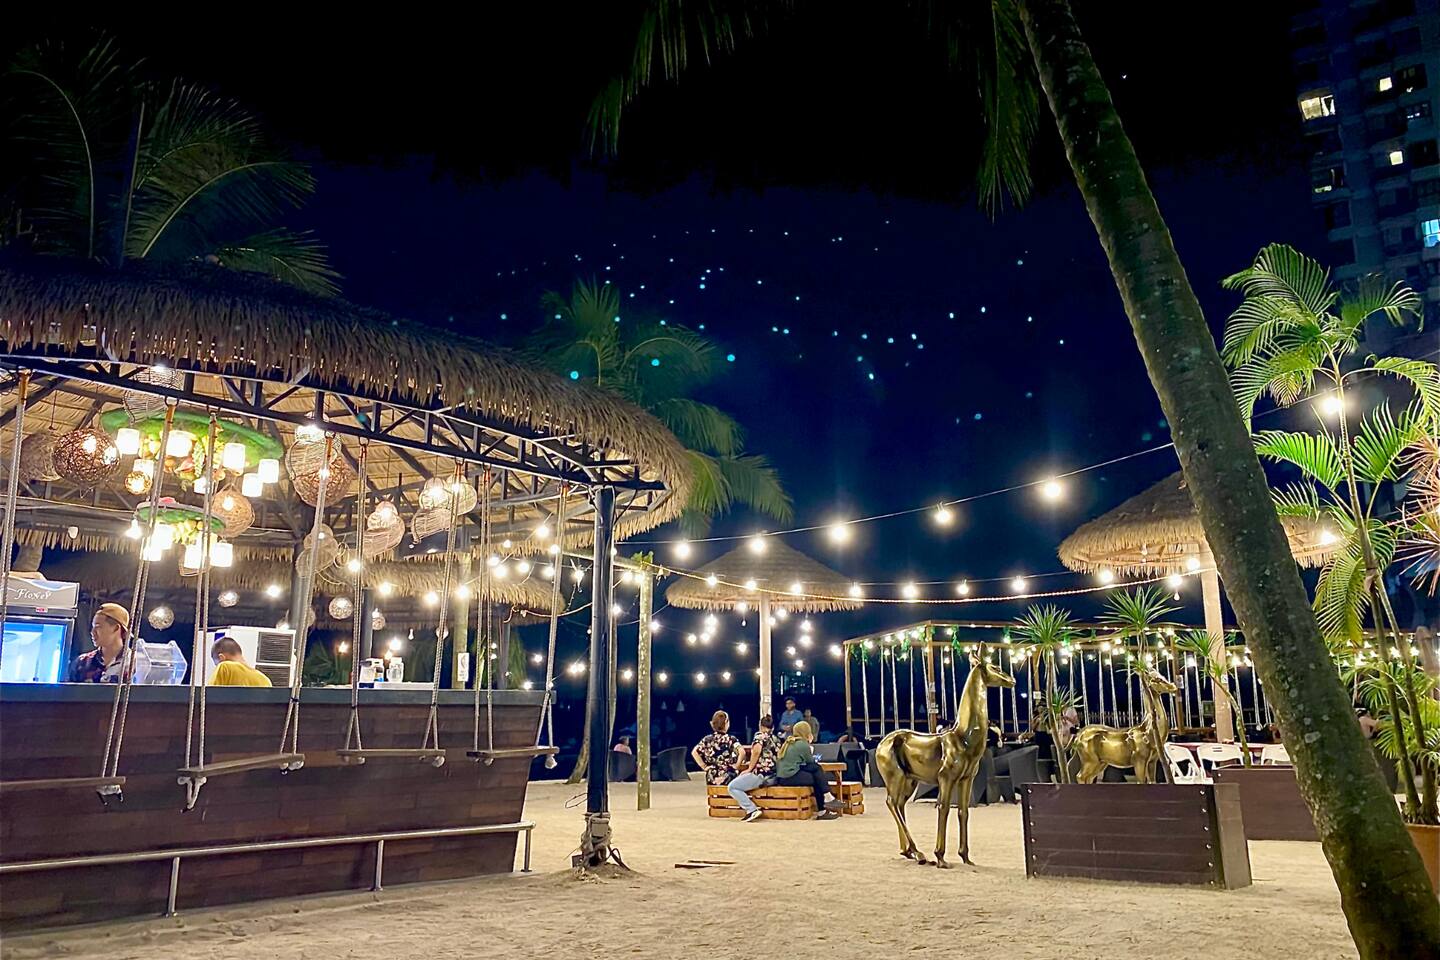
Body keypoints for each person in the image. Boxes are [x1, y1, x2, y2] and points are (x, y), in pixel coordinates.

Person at [774, 720, 842, 819]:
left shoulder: (791, 741)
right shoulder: (802, 744)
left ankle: (826, 801)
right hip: (789, 777)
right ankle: (825, 804)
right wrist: (810, 745)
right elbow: (810, 761)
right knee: (817, 777)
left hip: (783, 776)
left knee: (816, 771)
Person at [727, 714, 781, 823]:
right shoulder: (776, 739)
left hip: (761, 774)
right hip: (773, 775)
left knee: (732, 787)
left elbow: (756, 752)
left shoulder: (759, 736)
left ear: (760, 726)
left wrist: (749, 769)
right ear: (773, 727)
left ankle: (751, 809)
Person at [66, 603, 132, 683]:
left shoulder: (134, 664)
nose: (92, 632)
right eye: (93, 627)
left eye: (98, 627)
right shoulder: (82, 663)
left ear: (116, 628)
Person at [691, 710, 741, 785]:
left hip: (712, 777)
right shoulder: (731, 739)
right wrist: (737, 765)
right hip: (728, 776)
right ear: (726, 722)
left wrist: (704, 766)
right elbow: (742, 752)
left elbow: (694, 752)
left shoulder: (707, 739)